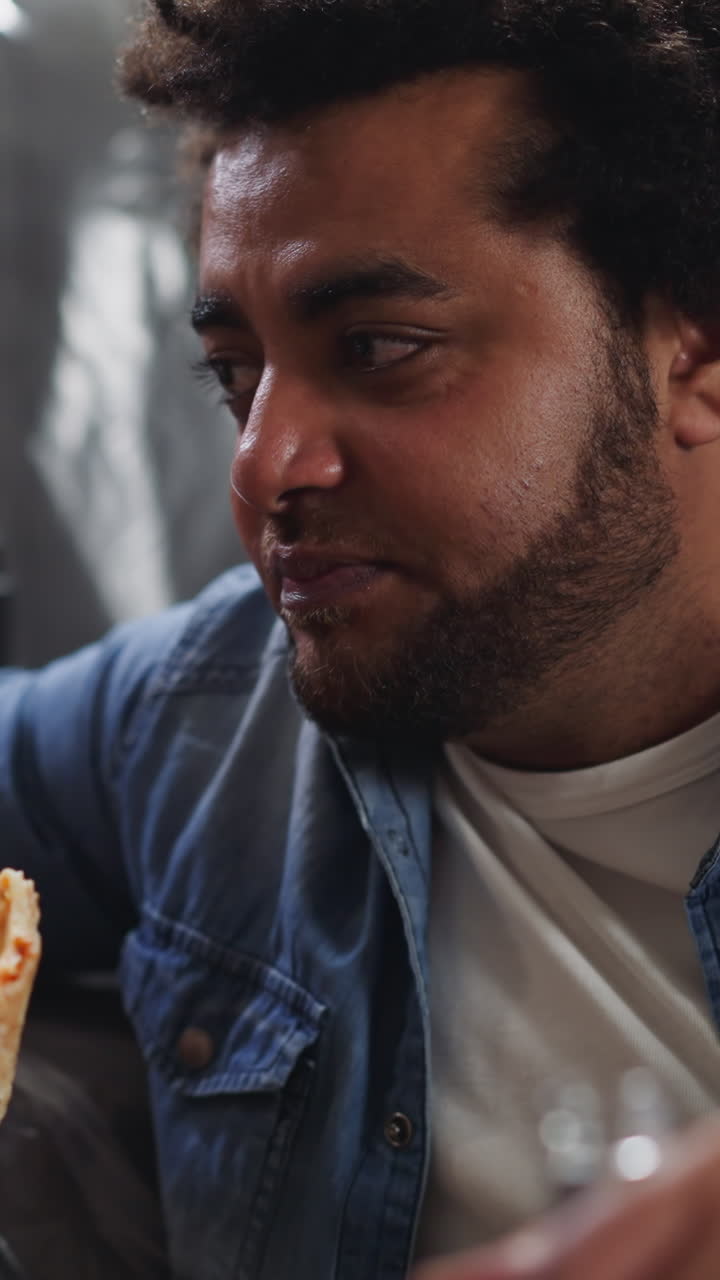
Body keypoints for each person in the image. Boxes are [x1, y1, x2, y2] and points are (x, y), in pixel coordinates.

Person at [5, 0, 720, 1275]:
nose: (264, 464)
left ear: (694, 352)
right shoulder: (209, 712)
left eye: (380, 348)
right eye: (236, 375)